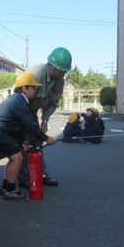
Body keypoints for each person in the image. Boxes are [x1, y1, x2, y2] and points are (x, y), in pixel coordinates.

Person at [0, 73, 57, 201]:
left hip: (1, 131)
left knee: (12, 159)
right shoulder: (19, 101)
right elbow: (30, 124)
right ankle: (11, 191)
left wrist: (23, 141)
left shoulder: (18, 100)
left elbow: (20, 125)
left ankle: (5, 188)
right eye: (33, 87)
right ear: (24, 88)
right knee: (18, 158)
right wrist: (46, 138)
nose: (36, 91)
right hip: (0, 131)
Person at [19, 47, 71, 188]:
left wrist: (45, 120)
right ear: (51, 66)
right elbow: (18, 95)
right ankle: (24, 179)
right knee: (25, 144)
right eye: (62, 71)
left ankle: (40, 174)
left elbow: (53, 102)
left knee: (37, 143)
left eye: (65, 71)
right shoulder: (35, 73)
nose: (63, 74)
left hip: (33, 113)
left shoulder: (59, 80)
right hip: (21, 112)